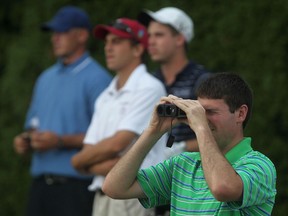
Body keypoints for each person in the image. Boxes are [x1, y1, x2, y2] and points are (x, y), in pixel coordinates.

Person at [102, 73, 277, 215]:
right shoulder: (183, 164)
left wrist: (201, 128)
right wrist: (152, 132)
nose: (201, 118)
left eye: (211, 112)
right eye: (200, 111)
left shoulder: (260, 166)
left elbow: (223, 188)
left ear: (240, 113)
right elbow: (114, 188)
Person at [13, 6, 112, 216]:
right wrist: (26, 139)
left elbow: (107, 138)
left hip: (76, 187)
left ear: (82, 35)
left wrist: (59, 141)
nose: (55, 38)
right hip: (40, 184)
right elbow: (33, 124)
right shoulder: (45, 78)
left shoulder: (98, 79)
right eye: (54, 33)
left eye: (62, 32)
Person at [71, 18, 167, 216]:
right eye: (107, 42)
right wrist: (87, 160)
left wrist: (81, 162)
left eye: (117, 41)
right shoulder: (105, 95)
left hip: (132, 197)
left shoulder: (149, 87)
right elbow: (92, 147)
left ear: (138, 49)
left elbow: (118, 143)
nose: (108, 48)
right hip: (102, 194)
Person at [138, 7, 210, 157]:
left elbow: (218, 131)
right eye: (149, 35)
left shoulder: (203, 80)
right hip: (153, 170)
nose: (150, 42)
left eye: (158, 35)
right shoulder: (149, 81)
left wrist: (182, 147)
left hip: (191, 171)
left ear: (179, 39)